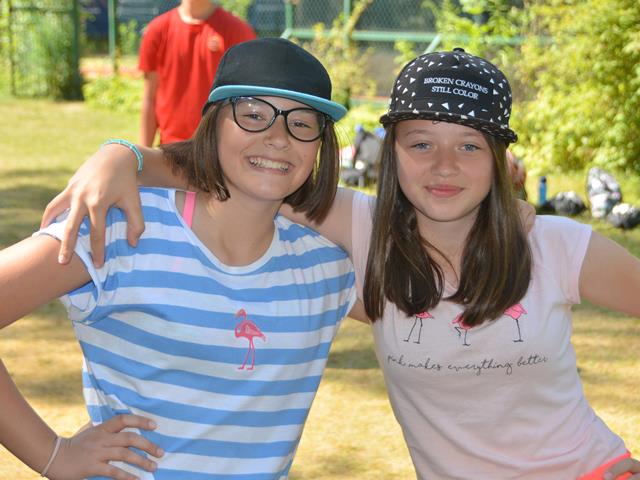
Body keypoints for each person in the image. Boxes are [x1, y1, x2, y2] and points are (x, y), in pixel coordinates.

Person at [40, 50, 640, 479]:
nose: (444, 167)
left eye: (470, 145)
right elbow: (234, 165)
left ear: (499, 156)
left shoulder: (557, 245)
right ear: (390, 153)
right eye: (421, 143)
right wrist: (121, 155)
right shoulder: (360, 227)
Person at [0, 38, 358, 479]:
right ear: (213, 123)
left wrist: (128, 154)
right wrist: (55, 455)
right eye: (253, 115)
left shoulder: (326, 267)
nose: (278, 138)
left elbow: (429, 308)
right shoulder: (121, 226)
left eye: (302, 123)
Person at [139, 0, 255, 146]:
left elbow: (249, 101)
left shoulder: (238, 31)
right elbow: (150, 99)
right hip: (171, 149)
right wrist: (143, 153)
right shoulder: (157, 30)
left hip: (218, 149)